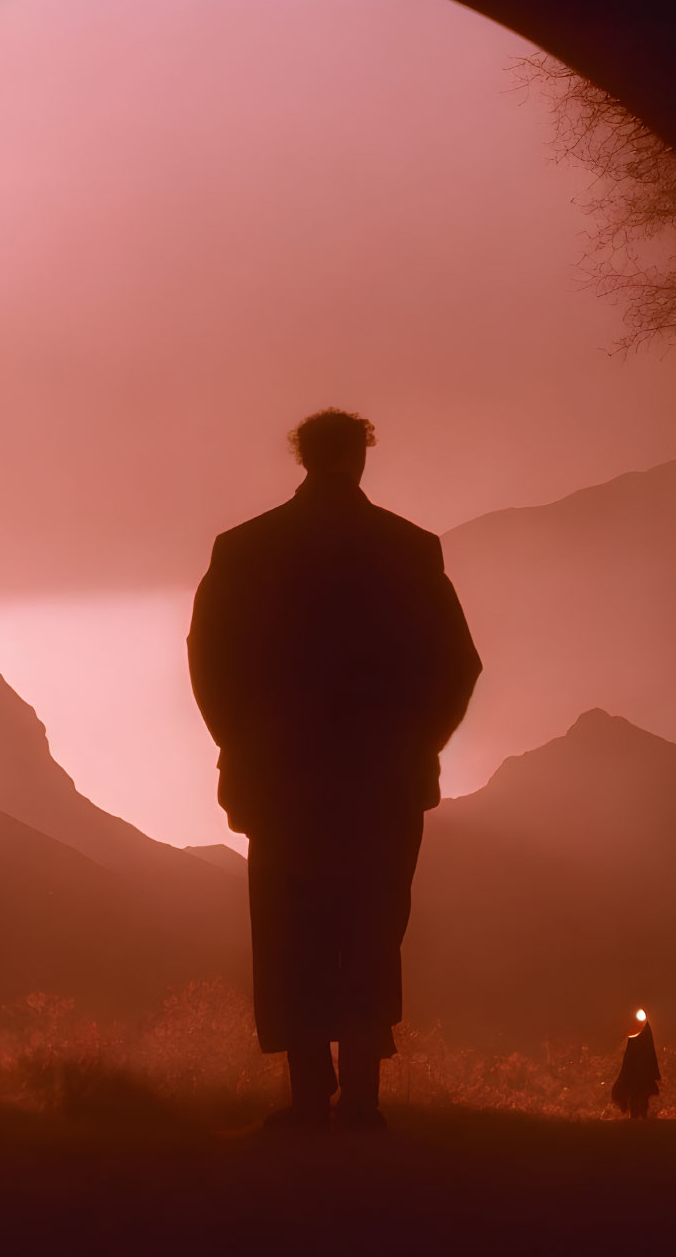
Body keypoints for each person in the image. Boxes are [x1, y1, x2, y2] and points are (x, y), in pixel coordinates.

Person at [188, 409, 481, 1132]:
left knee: (292, 933)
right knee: (372, 932)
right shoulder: (409, 550)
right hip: (381, 780)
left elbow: (209, 663)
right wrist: (419, 745)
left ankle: (307, 1098)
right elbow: (456, 664)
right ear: (360, 459)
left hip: (280, 780)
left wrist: (241, 747)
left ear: (303, 458)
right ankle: (361, 1101)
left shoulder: (245, 549)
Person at [611, 1011, 662, 1119]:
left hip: (638, 1072)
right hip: (638, 1071)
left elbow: (641, 1054)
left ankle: (639, 1116)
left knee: (639, 1095)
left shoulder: (640, 1032)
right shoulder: (639, 1032)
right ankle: (638, 1116)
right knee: (638, 1095)